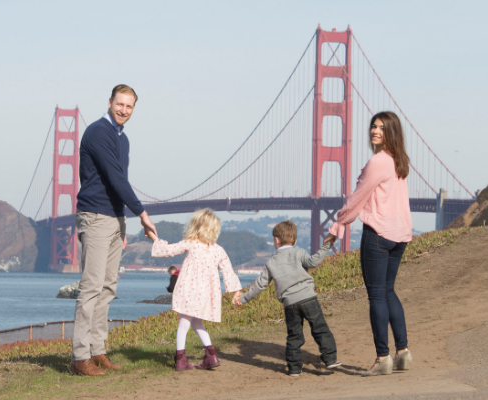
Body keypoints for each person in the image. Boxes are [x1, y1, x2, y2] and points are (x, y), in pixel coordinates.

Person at [69, 84, 158, 377]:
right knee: (91, 287)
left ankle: (98, 351)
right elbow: (115, 178)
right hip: (94, 217)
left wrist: (122, 223)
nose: (124, 110)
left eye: (129, 107)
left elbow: (120, 182)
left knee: (108, 288)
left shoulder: (124, 139)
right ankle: (79, 357)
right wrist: (142, 214)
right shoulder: (98, 133)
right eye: (120, 104)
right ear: (109, 103)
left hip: (113, 218)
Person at [324, 111, 413, 377]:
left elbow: (357, 199)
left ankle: (382, 357)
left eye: (382, 128)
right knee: (388, 292)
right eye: (374, 126)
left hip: (378, 234)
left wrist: (338, 225)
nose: (375, 131)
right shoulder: (400, 160)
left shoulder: (378, 161)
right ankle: (403, 353)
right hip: (400, 235)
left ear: (391, 133)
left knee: (376, 295)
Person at [232, 221, 341, 377]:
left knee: (294, 336)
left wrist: (243, 298)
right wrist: (327, 245)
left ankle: (295, 368)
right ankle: (330, 359)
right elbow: (314, 262)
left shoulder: (271, 262)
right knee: (320, 329)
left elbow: (259, 285)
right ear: (295, 240)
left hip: (290, 304)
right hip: (309, 298)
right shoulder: (299, 252)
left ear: (276, 240)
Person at [146, 208, 242, 371]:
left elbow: (168, 250)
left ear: (195, 226)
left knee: (184, 323)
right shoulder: (219, 250)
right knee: (197, 323)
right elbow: (228, 271)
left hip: (189, 290)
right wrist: (236, 292)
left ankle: (181, 359)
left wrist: (153, 237)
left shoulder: (190, 243)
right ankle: (211, 356)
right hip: (206, 294)